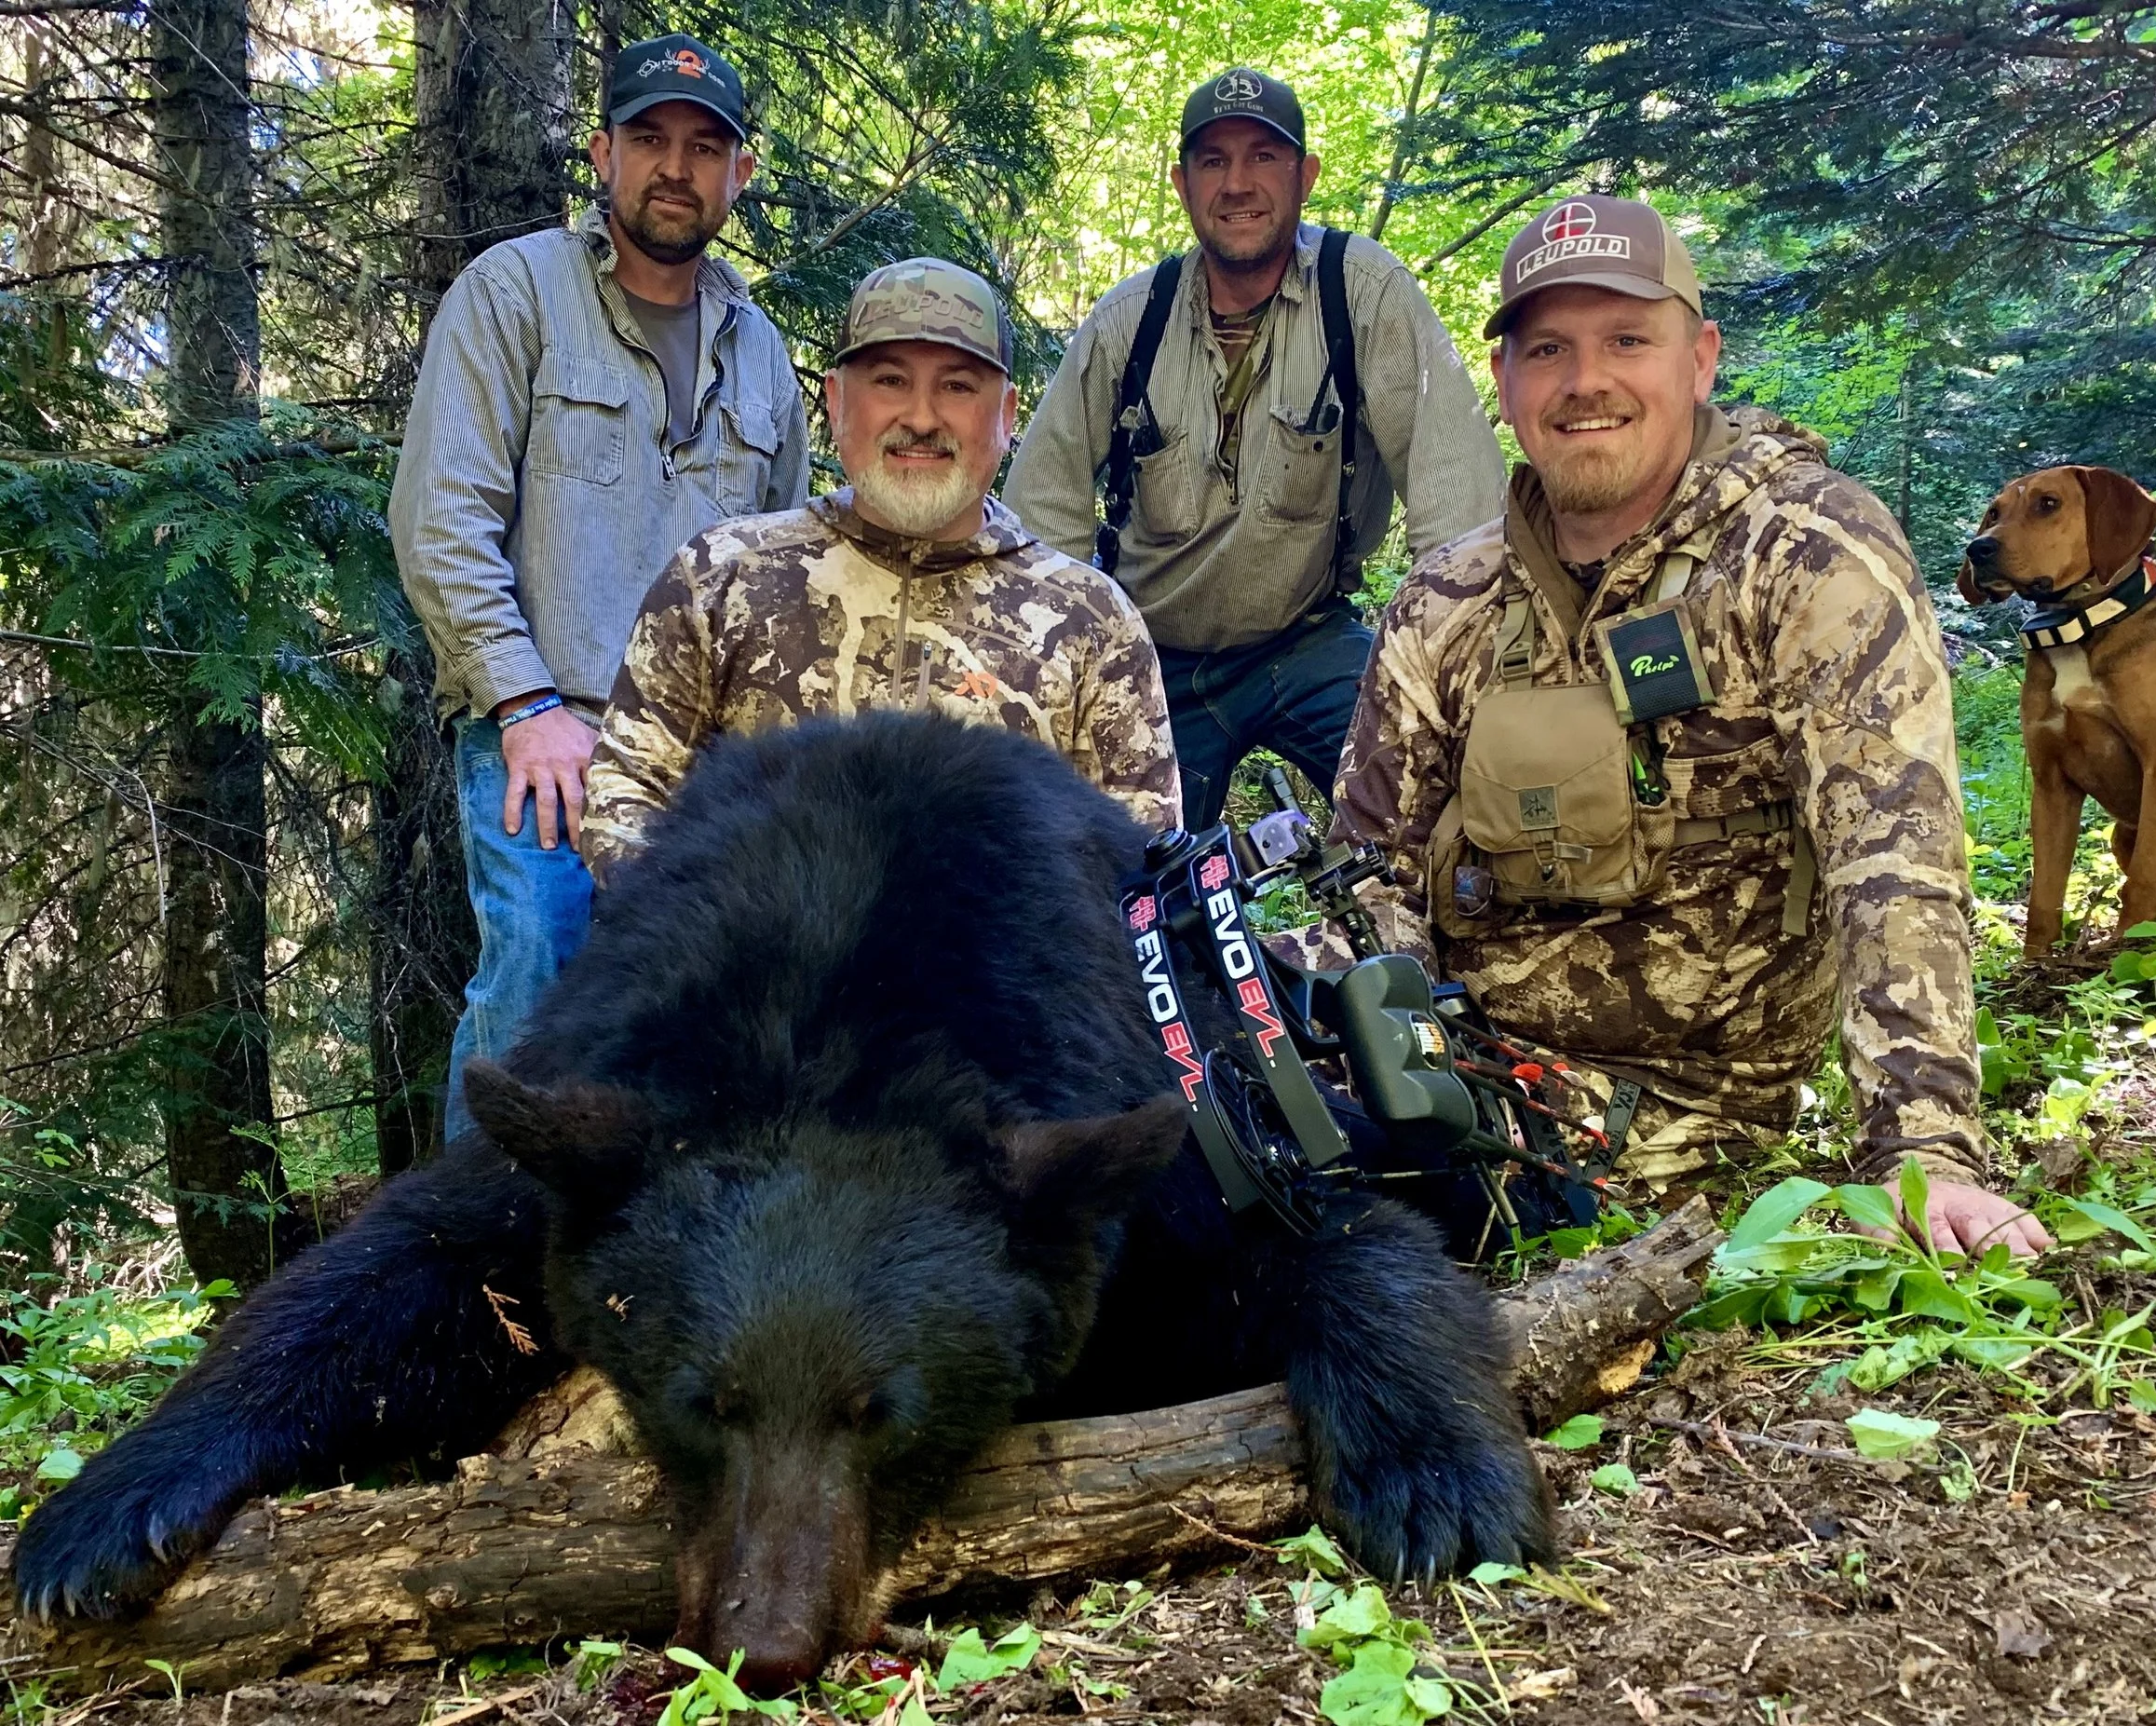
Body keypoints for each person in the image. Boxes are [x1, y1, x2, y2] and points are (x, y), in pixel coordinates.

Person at [1330, 194, 2050, 1257]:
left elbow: (1892, 857)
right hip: (1466, 1073)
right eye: (1548, 350)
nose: (1586, 382)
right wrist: (1394, 1056)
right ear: (1506, 384)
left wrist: (1925, 1149)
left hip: (1683, 1105)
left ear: (1700, 358)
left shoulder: (1805, 554)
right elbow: (1366, 871)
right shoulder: (1447, 598)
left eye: (1627, 339)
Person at [389, 34, 810, 1144]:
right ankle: (469, 1259)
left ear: (739, 175)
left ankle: (620, 1288)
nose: (675, 166)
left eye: (704, 146)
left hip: (707, 762)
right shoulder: (514, 293)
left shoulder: (762, 354)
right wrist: (524, 708)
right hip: (548, 723)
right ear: (601, 153)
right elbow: (440, 520)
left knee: (691, 1021)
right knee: (533, 979)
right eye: (650, 138)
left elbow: (782, 580)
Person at [1002, 68, 1503, 829]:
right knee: (1114, 876)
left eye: (1264, 156)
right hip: (1151, 655)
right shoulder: (1128, 321)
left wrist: (1455, 680)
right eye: (1213, 160)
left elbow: (1458, 515)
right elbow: (1043, 516)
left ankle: (1388, 940)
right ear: (1182, 183)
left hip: (1307, 641)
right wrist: (1065, 678)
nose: (1238, 183)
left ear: (1306, 176)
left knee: (1438, 791)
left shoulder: (1364, 295)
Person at [581, 257, 1181, 881]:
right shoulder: (720, 580)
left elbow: (1142, 867)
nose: (921, 418)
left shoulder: (1090, 622)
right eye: (891, 381)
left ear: (1006, 415)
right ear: (837, 402)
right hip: (757, 963)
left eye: (956, 387)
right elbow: (627, 800)